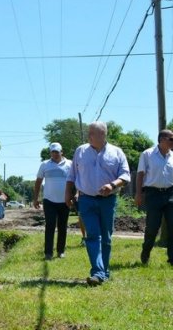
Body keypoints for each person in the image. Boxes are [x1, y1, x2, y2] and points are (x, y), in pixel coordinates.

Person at [65, 122, 130, 286]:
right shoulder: (81, 151)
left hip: (108, 201)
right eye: (89, 133)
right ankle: (98, 272)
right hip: (86, 199)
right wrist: (68, 194)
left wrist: (112, 185)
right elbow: (71, 175)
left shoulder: (117, 152)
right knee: (93, 235)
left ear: (103, 135)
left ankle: (103, 272)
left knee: (106, 238)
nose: (89, 136)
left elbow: (125, 175)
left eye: (92, 133)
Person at [135, 129, 173, 269]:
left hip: (171, 195)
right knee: (152, 228)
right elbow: (140, 175)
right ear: (161, 139)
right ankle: (146, 252)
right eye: (172, 139)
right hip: (153, 195)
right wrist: (138, 194)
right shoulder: (147, 154)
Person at [34, 142, 72, 260]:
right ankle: (48, 253)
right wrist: (36, 198)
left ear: (62, 152)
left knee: (62, 226)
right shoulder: (45, 165)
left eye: (57, 152)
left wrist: (74, 195)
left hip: (64, 200)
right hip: (49, 200)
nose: (55, 154)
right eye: (53, 152)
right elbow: (38, 182)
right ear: (50, 153)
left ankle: (60, 251)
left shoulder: (69, 164)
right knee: (50, 226)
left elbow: (75, 181)